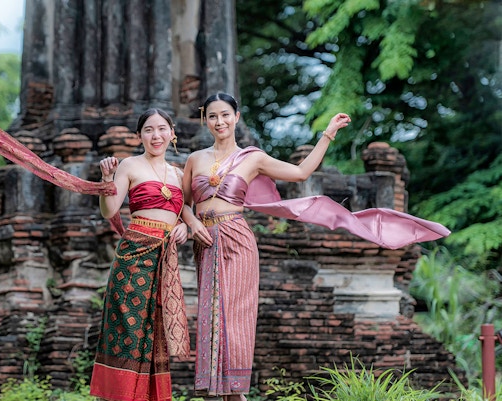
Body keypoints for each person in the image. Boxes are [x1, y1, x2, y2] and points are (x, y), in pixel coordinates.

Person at [181, 92, 450, 401]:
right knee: (210, 314)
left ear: (236, 117)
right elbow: (184, 204)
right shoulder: (195, 159)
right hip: (205, 242)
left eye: (225, 114)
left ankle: (236, 392)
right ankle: (213, 391)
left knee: (236, 315)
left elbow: (300, 173)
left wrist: (326, 136)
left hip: (237, 239)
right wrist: (193, 223)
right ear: (206, 120)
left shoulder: (252, 157)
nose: (219, 121)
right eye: (213, 116)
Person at [90, 108, 192, 401]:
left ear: (172, 133)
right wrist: (107, 180)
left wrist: (185, 226)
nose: (156, 135)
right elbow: (109, 211)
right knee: (127, 331)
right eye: (149, 130)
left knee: (154, 333)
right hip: (133, 257)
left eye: (162, 129)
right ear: (139, 136)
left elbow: (186, 214)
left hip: (164, 260)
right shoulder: (130, 166)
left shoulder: (178, 174)